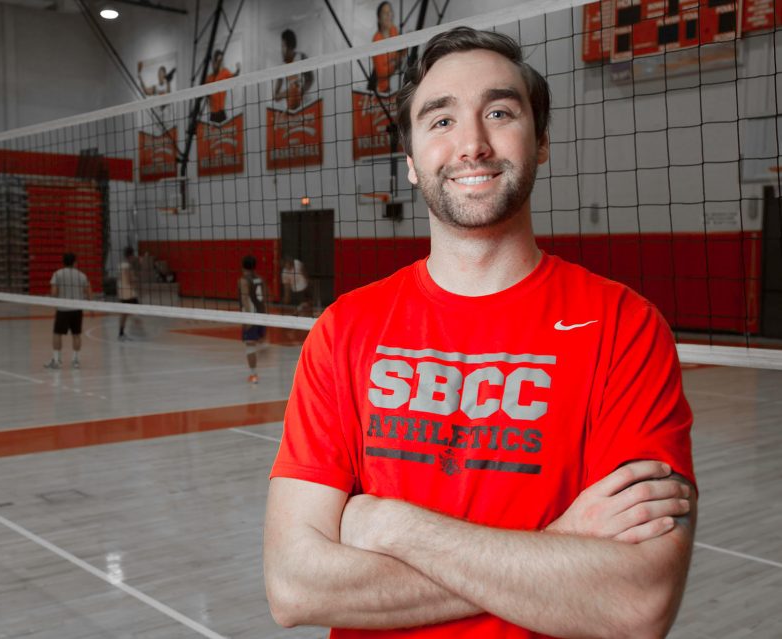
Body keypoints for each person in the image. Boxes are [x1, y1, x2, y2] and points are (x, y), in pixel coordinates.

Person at [264, 27, 697, 639]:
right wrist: (558, 548)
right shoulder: (344, 331)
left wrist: (391, 526)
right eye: (440, 121)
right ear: (410, 162)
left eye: (499, 112)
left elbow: (637, 602)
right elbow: (293, 587)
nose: (472, 143)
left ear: (541, 141)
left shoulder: (625, 327)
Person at [45, 253, 91, 370]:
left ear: (63, 262)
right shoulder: (81, 275)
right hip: (77, 309)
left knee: (57, 334)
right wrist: (91, 307)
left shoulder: (57, 274)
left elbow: (54, 293)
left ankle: (57, 360)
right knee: (76, 335)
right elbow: (88, 292)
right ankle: (75, 361)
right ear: (75, 262)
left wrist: (53, 300)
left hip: (63, 309)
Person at [239, 255, 267, 384]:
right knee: (255, 343)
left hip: (251, 315)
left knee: (250, 346)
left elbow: (245, 299)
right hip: (262, 314)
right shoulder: (260, 279)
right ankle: (262, 345)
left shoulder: (244, 280)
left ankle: (253, 375)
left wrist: (248, 318)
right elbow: (265, 297)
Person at [273, 29, 314, 111]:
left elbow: (310, 80)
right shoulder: (281, 67)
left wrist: (299, 92)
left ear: (290, 46)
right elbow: (276, 96)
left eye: (283, 46)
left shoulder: (302, 57)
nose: (281, 50)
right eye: (281, 46)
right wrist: (288, 93)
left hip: (305, 107)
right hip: (289, 112)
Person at [369, 1, 405, 94]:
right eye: (385, 13)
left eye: (390, 12)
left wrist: (407, 43)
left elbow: (400, 55)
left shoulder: (394, 30)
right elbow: (381, 72)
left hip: (397, 85)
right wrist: (395, 63)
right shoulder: (376, 40)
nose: (389, 15)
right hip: (381, 91)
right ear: (379, 18)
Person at [205, 49, 240, 123]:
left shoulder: (225, 72)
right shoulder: (209, 78)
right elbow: (206, 95)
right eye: (218, 61)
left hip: (222, 111)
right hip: (213, 113)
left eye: (221, 60)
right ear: (214, 62)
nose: (220, 63)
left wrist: (238, 70)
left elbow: (233, 77)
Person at [118, 247, 139, 341]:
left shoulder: (121, 265)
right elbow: (129, 279)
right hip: (128, 293)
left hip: (123, 292)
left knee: (125, 314)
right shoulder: (126, 266)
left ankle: (121, 333)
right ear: (130, 255)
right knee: (138, 311)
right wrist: (135, 279)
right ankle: (138, 332)